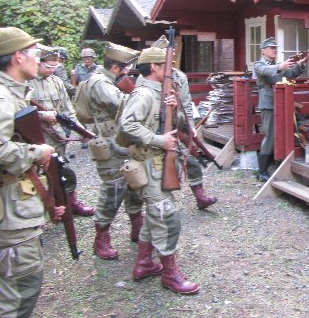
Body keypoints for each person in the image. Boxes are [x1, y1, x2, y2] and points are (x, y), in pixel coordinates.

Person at [118, 46, 200, 295]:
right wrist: (158, 140)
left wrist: (176, 109)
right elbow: (127, 126)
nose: (171, 70)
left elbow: (173, 125)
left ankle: (144, 263)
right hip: (148, 162)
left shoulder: (161, 93)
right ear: (154, 67)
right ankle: (169, 274)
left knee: (155, 215)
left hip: (159, 163)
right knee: (167, 218)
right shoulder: (143, 93)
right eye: (166, 66)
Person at [0, 27, 59, 317]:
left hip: (13, 205)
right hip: (8, 214)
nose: (38, 59)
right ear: (17, 57)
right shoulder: (1, 97)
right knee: (19, 292)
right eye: (34, 53)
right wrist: (37, 152)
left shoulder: (12, 93)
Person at [85, 42, 144, 259]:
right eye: (126, 68)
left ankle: (137, 227)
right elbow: (123, 105)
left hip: (122, 143)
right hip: (110, 146)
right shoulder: (100, 82)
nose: (128, 72)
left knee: (134, 183)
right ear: (115, 68)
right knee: (113, 190)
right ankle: (101, 238)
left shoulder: (109, 80)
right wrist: (143, 96)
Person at [28, 44, 95, 216]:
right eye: (48, 66)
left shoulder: (56, 82)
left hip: (56, 136)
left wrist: (81, 130)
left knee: (62, 169)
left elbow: (67, 109)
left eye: (54, 67)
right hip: (34, 137)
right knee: (36, 176)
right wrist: (42, 115)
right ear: (38, 62)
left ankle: (69, 203)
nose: (51, 70)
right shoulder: (27, 81)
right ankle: (42, 211)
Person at [151, 35, 217, 209]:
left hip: (174, 126)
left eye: (170, 53)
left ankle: (200, 197)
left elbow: (187, 103)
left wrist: (191, 126)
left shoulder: (179, 76)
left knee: (191, 162)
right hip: (152, 130)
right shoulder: (149, 77)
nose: (169, 56)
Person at [253, 37, 307, 181]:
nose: (274, 50)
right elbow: (264, 71)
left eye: (275, 48)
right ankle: (262, 171)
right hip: (268, 104)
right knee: (270, 136)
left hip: (281, 103)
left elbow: (291, 74)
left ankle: (273, 165)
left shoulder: (277, 65)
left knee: (282, 134)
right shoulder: (259, 64)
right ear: (263, 51)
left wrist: (301, 64)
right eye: (271, 48)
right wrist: (280, 67)